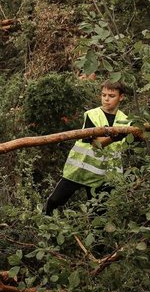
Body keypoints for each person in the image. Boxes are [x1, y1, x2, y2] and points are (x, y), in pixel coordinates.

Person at [45, 80, 132, 215]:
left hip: (104, 175)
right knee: (54, 202)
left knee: (98, 216)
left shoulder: (126, 120)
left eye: (111, 96)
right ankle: (48, 232)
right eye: (104, 95)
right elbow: (97, 144)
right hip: (80, 169)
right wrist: (115, 137)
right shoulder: (92, 115)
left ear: (121, 97)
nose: (106, 99)